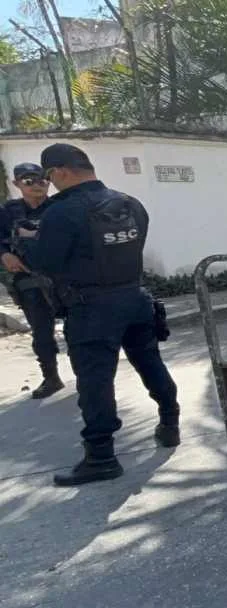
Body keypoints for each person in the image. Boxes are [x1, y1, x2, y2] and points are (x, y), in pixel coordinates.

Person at [19, 144, 180, 487]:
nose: (50, 184)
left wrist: (27, 241)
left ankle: (101, 457)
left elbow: (45, 262)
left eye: (50, 177)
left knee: (95, 381)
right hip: (135, 298)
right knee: (150, 362)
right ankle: (170, 423)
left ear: (60, 171)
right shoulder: (130, 203)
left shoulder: (62, 213)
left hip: (91, 308)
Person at [0, 163, 63, 398]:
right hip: (29, 280)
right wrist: (4, 254)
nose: (37, 185)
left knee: (78, 328)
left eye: (42, 180)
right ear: (16, 184)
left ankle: (85, 374)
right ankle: (51, 377)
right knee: (42, 331)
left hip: (63, 278)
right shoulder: (8, 212)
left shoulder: (60, 207)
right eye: (29, 181)